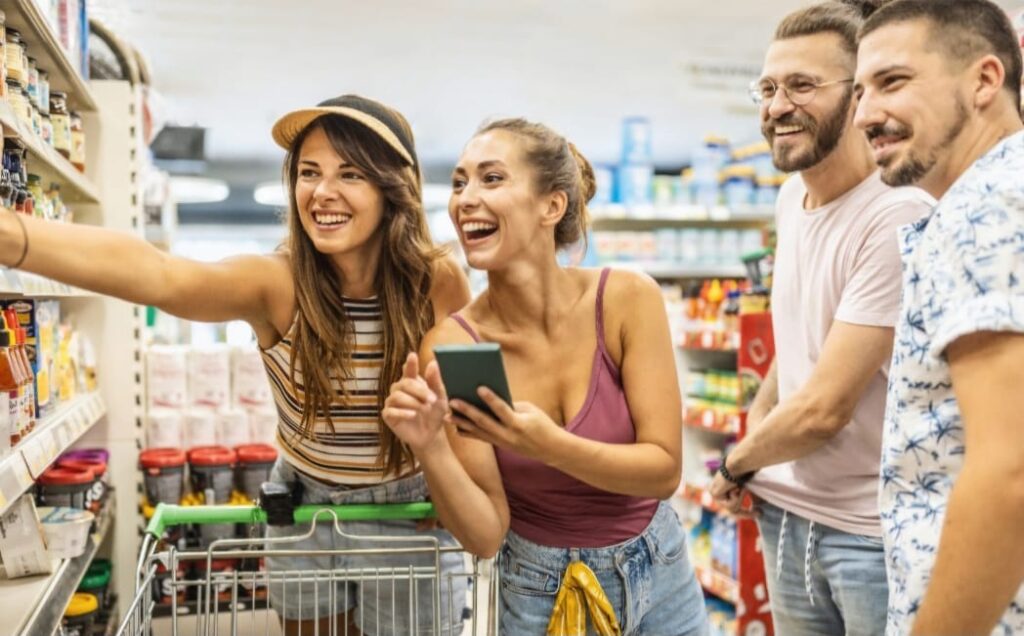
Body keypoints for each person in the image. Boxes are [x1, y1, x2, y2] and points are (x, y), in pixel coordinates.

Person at [0, 94, 471, 635]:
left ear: (393, 189)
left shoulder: (434, 282)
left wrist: (453, 485)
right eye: (309, 172)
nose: (322, 192)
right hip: (302, 508)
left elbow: (462, 409)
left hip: (406, 514)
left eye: (350, 174)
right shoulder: (278, 283)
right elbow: (161, 275)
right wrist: (12, 236)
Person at [381, 118, 709, 635]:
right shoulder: (457, 346)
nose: (465, 198)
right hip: (539, 589)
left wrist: (547, 444)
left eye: (491, 179)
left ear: (551, 206)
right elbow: (487, 535)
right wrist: (430, 447)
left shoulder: (626, 299)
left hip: (661, 570)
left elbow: (663, 469)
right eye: (460, 182)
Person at [707, 3, 933, 635]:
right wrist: (756, 450)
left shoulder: (895, 214)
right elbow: (795, 342)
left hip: (868, 534)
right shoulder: (789, 199)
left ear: (858, 98)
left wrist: (736, 461)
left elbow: (826, 407)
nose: (778, 105)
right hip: (786, 518)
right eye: (769, 88)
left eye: (803, 85)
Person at [853, 1, 1024, 633]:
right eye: (860, 91)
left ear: (984, 80)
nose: (866, 114)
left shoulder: (986, 209)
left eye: (893, 82)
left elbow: (1011, 472)